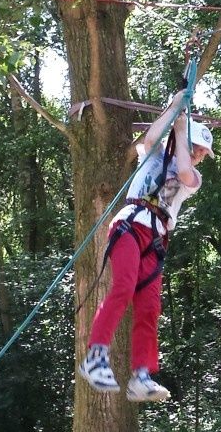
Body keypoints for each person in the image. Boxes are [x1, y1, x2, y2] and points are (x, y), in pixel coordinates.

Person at [78, 90, 214, 403]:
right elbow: (152, 136)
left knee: (150, 306)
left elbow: (183, 171)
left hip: (154, 240)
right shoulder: (154, 155)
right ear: (185, 141)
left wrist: (181, 129)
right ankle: (95, 357)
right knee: (123, 287)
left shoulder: (193, 177)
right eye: (197, 148)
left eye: (203, 152)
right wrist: (173, 109)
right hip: (130, 225)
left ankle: (141, 375)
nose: (199, 155)